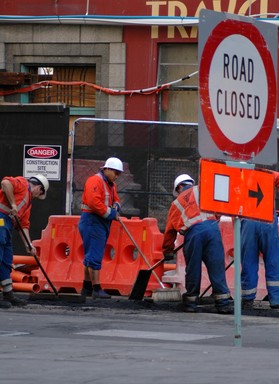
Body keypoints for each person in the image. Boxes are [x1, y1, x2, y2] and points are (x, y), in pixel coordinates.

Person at [162, 173, 232, 314]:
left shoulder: (176, 203)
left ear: (179, 187)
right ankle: (223, 303)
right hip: (213, 229)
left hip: (193, 233)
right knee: (216, 267)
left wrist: (168, 251)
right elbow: (219, 209)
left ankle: (190, 302)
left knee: (193, 268)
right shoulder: (204, 190)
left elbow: (170, 230)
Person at [0, 174, 49, 308]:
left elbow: (24, 226)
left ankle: (8, 293)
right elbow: (5, 183)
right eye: (40, 193)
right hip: (0, 221)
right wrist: (14, 204)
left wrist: (29, 245)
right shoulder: (22, 183)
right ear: (39, 188)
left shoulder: (28, 205)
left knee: (6, 261)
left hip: (6, 226)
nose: (37, 196)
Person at [78, 157, 123, 299]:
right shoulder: (95, 180)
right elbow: (94, 202)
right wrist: (111, 214)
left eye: (119, 174)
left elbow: (116, 199)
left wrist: (116, 206)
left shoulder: (111, 184)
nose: (117, 176)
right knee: (94, 256)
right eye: (115, 172)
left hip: (99, 222)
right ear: (107, 169)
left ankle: (86, 288)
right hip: (92, 221)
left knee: (90, 255)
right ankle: (96, 288)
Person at [241, 172, 279, 310]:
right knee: (273, 260)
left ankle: (247, 299)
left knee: (248, 261)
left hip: (247, 219)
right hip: (267, 219)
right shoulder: (268, 174)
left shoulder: (237, 176)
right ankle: (276, 299)